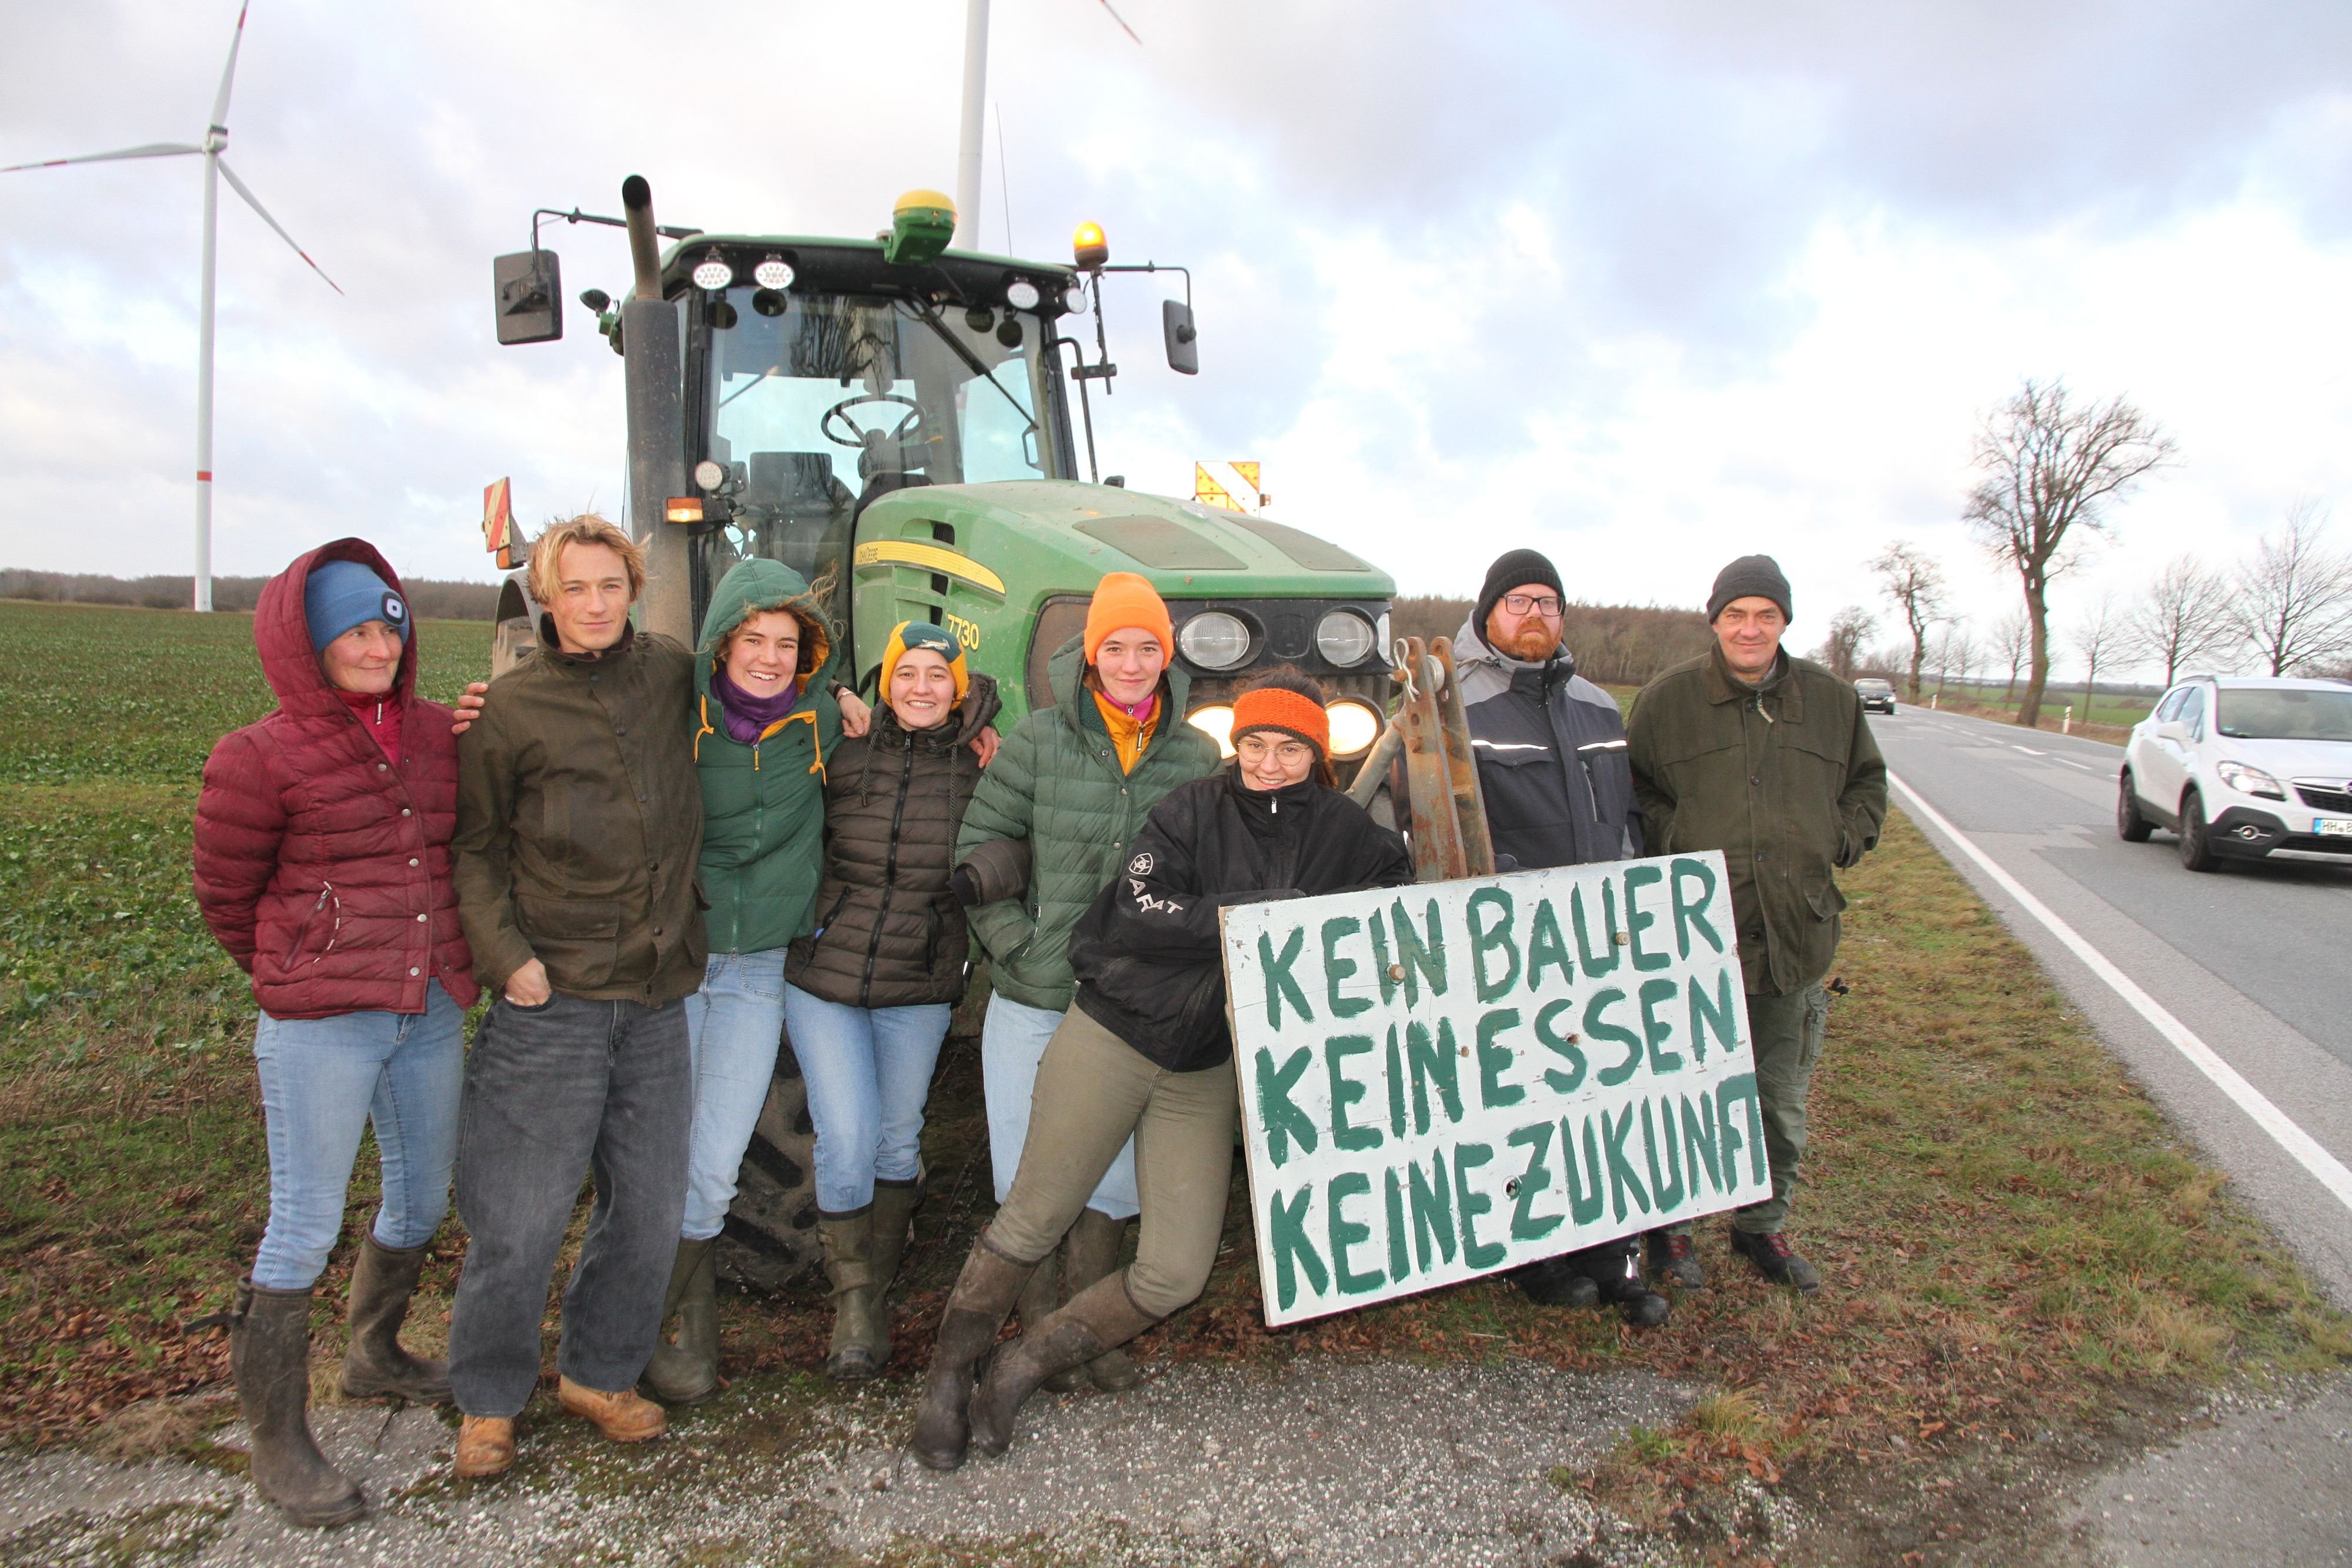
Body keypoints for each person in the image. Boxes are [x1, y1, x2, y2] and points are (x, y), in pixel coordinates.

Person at [913, 671, 1414, 1470]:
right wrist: (1244, 913)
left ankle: (1021, 1366)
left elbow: (1397, 892)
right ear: (1236, 744)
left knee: (1176, 1270)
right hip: (1117, 1030)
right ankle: (944, 1378)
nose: (1271, 761)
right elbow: (1138, 910)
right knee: (1035, 1214)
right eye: (1256, 742)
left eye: (1291, 746)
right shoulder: (1191, 809)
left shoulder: (1343, 829)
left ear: (1316, 754)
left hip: (1207, 1063)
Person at [192, 541, 477, 1527]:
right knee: (305, 1221)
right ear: (308, 644)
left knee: (424, 1194)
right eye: (353, 629)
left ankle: (375, 1351)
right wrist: (304, 967)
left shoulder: (443, 736)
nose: (375, 645)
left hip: (431, 1009)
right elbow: (228, 898)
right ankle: (278, 1439)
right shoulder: (257, 755)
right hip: (323, 1026)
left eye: (389, 625)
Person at [446, 514, 704, 1479]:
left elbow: (771, 683)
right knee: (520, 1215)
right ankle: (487, 1396)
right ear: (545, 598)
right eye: (576, 588)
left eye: (611, 585)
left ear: (633, 587)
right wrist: (504, 954)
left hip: (657, 989)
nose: (595, 604)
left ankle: (600, 1372)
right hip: (548, 993)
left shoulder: (671, 674)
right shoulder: (508, 711)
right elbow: (474, 848)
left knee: (647, 1204)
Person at [950, 572, 1218, 1392]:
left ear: (1165, 655)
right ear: (1091, 654)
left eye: (1148, 647)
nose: (1132, 664)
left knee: (1108, 1178)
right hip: (1037, 993)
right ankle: (1024, 1326)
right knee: (1024, 1172)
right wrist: (1016, 949)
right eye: (1116, 647)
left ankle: (1075, 1339)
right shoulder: (1038, 738)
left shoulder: (1198, 755)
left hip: (1128, 1011)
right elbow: (981, 845)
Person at [1626, 554, 1887, 1293]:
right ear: (1714, 621)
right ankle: (1670, 1231)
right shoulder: (1667, 701)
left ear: (1784, 623)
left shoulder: (1831, 703)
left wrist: (1839, 838)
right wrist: (1672, 839)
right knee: (1682, 1087)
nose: (1750, 629)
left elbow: (1866, 785)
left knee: (1776, 1094)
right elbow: (1632, 791)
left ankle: (1760, 1227)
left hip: (1795, 937)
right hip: (1694, 935)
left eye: (1765, 616)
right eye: (1736, 615)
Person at [639, 559, 848, 1403]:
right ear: (722, 643)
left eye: (786, 643)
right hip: (675, 963)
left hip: (757, 968)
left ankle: (687, 1335)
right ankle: (628, 1324)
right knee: (655, 1149)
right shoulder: (669, 718)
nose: (768, 657)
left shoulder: (824, 721)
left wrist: (977, 724)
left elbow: (920, 725)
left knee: (718, 1158)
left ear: (809, 654)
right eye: (753, 639)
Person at [1450, 549, 1666, 1322]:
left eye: (1549, 601)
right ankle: (1536, 1249)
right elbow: (1440, 830)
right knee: (1528, 1094)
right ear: (1487, 614)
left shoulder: (1599, 708)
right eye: (1518, 601)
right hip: (1516, 944)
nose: (1535, 613)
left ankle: (1614, 1251)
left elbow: (1629, 818)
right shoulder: (1452, 707)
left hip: (1602, 937)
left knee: (1605, 1086)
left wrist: (1633, 882)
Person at [785, 623, 1000, 1380]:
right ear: (882, 683)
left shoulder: (984, 767)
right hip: (825, 971)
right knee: (844, 1137)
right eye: (904, 673)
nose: (919, 688)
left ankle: (871, 1288)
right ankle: (855, 1308)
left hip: (920, 974)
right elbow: (764, 690)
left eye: (937, 676)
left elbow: (1014, 836)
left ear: (961, 688)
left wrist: (985, 883)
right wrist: (836, 691)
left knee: (897, 1138)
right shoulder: (842, 746)